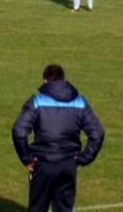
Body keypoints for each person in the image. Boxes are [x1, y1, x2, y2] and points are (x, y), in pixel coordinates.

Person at [12, 64, 105, 212]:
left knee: (38, 208)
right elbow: (97, 133)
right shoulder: (80, 102)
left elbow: (19, 131)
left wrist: (27, 159)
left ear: (45, 81)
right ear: (64, 79)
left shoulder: (37, 102)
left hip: (43, 164)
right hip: (69, 164)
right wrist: (83, 158)